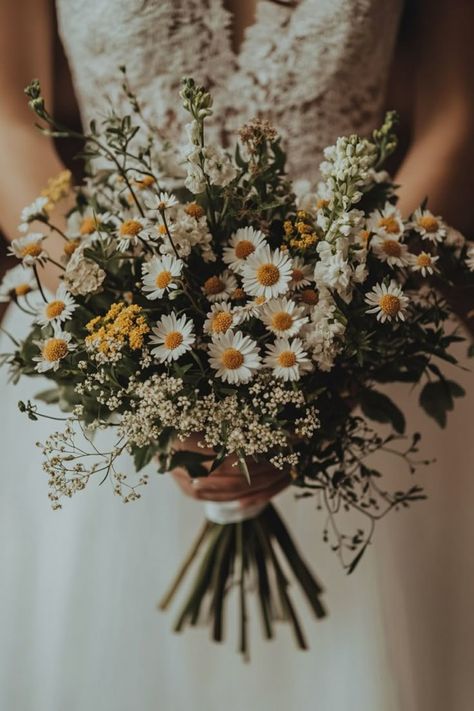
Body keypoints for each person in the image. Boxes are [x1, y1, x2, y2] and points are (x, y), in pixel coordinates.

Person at [0, 1, 472, 710]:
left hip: (367, 323)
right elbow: (7, 112)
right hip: (101, 320)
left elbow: (453, 111)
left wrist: (336, 335)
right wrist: (119, 336)